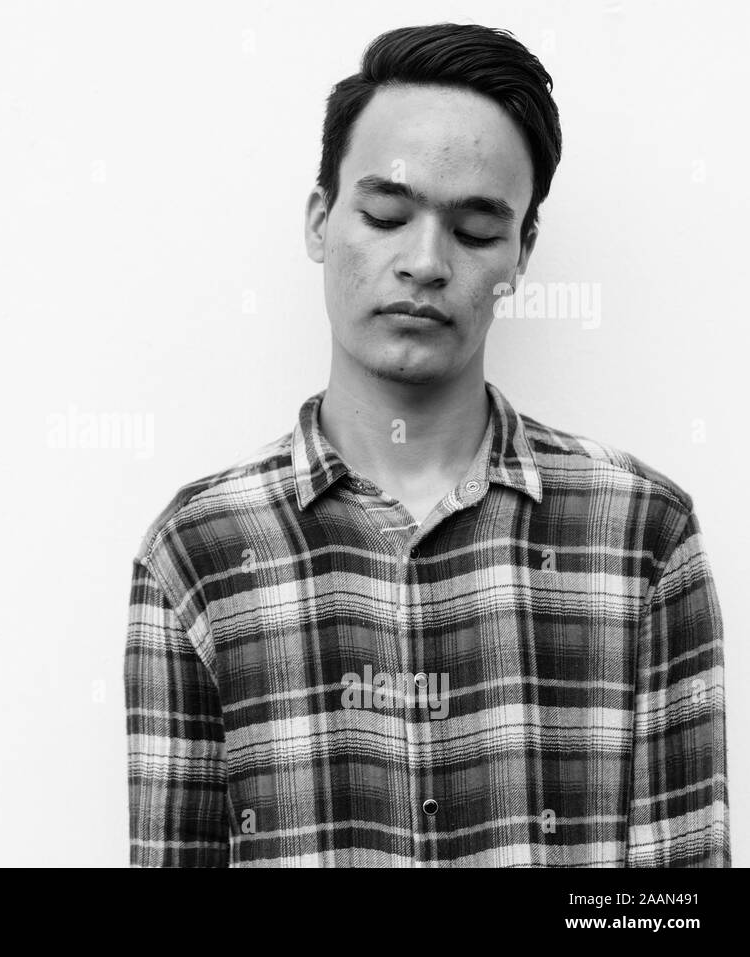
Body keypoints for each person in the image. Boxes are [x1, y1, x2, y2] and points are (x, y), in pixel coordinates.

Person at [124, 22, 729, 867]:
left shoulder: (639, 534)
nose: (425, 261)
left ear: (522, 254)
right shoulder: (200, 551)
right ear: (319, 222)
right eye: (385, 214)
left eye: (477, 231)